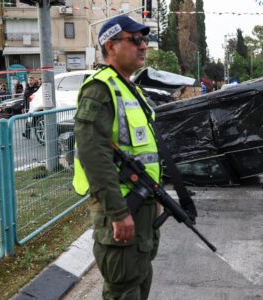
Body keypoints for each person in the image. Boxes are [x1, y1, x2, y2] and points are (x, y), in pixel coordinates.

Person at [73, 16, 160, 300]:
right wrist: (118, 212)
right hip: (121, 208)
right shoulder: (100, 89)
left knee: (140, 279)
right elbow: (93, 154)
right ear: (110, 46)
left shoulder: (131, 89)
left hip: (143, 204)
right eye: (135, 40)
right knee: (124, 290)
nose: (143, 46)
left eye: (145, 41)